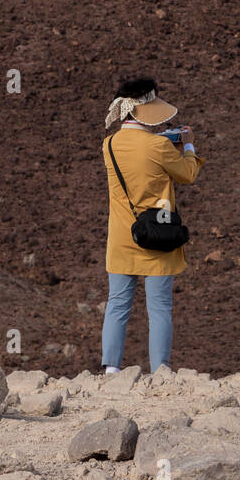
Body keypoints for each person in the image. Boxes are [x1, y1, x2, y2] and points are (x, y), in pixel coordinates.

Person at [100, 76, 205, 373]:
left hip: (122, 237)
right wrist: (187, 146)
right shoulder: (159, 147)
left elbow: (136, 155)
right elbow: (187, 174)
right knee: (159, 309)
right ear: (141, 110)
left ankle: (111, 369)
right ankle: (160, 370)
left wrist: (163, 140)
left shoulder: (108, 145)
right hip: (158, 234)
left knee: (117, 304)